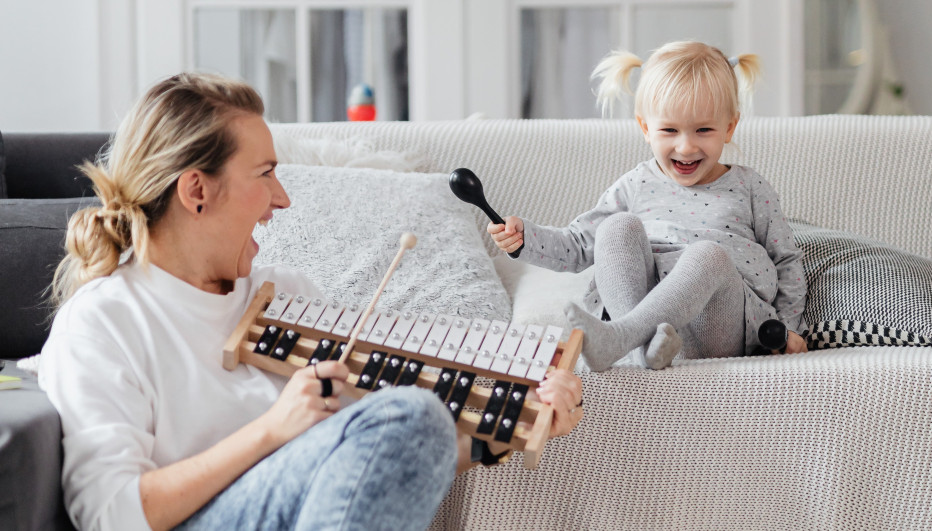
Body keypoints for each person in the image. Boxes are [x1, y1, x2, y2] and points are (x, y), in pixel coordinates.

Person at [38, 72, 583, 531]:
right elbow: (109, 515)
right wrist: (273, 430)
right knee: (411, 411)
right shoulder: (102, 321)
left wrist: (509, 429)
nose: (283, 197)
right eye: (266, 173)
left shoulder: (287, 296)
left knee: (414, 416)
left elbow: (373, 459)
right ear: (196, 191)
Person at [488, 41, 808, 372]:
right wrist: (526, 238)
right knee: (615, 227)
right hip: (657, 335)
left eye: (704, 130)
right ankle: (642, 350)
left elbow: (786, 261)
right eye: (669, 130)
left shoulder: (749, 186)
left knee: (707, 254)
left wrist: (790, 327)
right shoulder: (635, 183)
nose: (685, 146)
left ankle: (620, 338)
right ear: (645, 128)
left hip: (720, 322)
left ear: (729, 127)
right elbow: (580, 244)